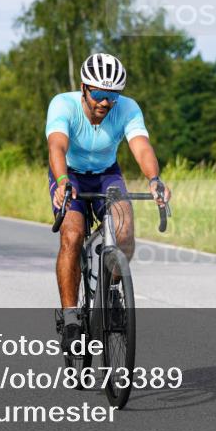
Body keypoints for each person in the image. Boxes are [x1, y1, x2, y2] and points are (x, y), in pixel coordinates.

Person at [46, 53, 171, 349]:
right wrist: (62, 181)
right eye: (99, 94)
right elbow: (57, 146)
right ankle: (71, 317)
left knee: (125, 234)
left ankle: (112, 290)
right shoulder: (63, 104)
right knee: (73, 235)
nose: (105, 102)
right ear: (84, 88)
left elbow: (141, 147)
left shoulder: (127, 109)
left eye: (112, 96)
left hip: (106, 175)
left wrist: (154, 179)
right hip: (70, 175)